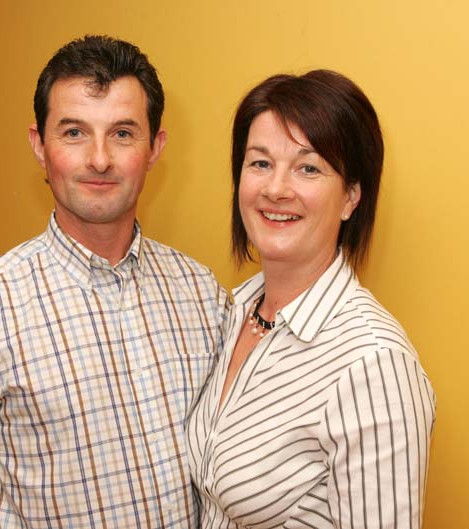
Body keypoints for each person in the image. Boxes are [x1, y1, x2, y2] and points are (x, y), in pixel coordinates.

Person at [0, 35, 228, 529]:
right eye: (74, 133)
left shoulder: (203, 295)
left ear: (155, 148)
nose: (99, 159)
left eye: (123, 133)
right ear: (39, 146)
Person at [186, 70, 435, 529]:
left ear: (351, 197)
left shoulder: (373, 364)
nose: (276, 188)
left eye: (308, 168)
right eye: (259, 163)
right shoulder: (226, 312)